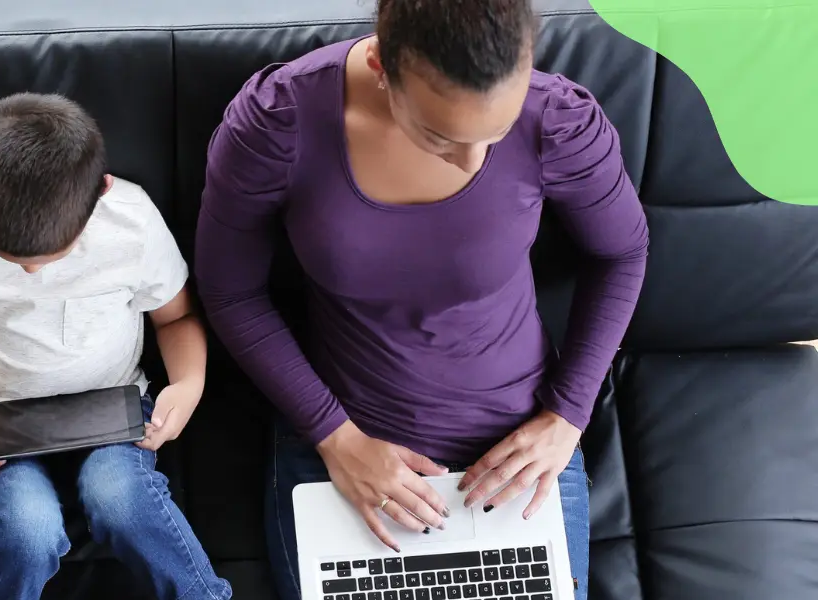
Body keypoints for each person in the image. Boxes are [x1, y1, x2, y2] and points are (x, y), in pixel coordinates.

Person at [193, 1, 649, 599]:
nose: (472, 161)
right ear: (382, 65)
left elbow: (622, 253)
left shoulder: (557, 120)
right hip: (350, 445)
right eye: (440, 135)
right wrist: (336, 437)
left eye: (497, 130)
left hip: (517, 452)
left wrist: (568, 416)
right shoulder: (278, 123)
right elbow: (231, 291)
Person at [0, 92, 231, 600]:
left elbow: (178, 316)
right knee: (25, 531)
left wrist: (189, 383)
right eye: (8, 257)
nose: (33, 272)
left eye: (56, 254)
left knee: (121, 501)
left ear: (102, 191)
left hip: (111, 407)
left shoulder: (132, 223)